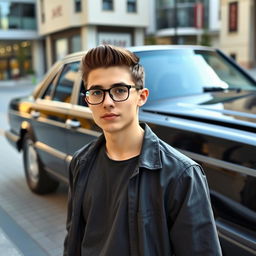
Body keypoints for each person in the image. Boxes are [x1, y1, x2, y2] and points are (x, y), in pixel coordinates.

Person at [63, 44, 222, 256]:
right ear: (88, 100)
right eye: (97, 92)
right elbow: (73, 238)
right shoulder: (81, 162)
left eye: (119, 90)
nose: (107, 102)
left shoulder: (181, 175)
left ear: (142, 96)